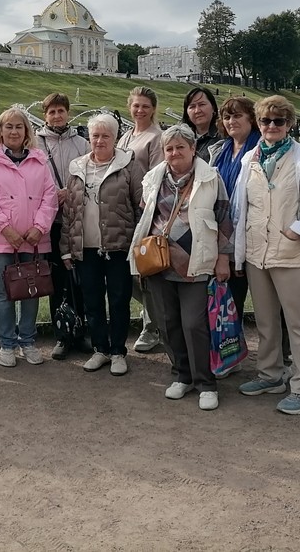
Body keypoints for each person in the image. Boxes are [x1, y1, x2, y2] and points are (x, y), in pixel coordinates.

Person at [233, 95, 300, 415]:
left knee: (299, 324)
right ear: (258, 123)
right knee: (266, 321)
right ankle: (270, 375)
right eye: (266, 120)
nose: (272, 126)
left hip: (292, 254)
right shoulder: (249, 158)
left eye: (279, 120)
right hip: (257, 253)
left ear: (290, 123)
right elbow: (240, 206)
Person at [130, 124, 233, 410]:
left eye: (180, 147)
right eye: (169, 148)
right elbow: (145, 215)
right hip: (159, 263)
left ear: (192, 149)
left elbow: (225, 219)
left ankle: (206, 383)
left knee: (194, 324)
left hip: (195, 262)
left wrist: (224, 257)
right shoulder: (153, 177)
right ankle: (182, 375)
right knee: (167, 323)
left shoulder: (211, 177)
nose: (174, 153)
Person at [61, 113, 144, 376]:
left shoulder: (129, 166)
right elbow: (69, 212)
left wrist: (139, 244)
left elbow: (141, 207)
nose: (99, 140)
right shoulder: (77, 167)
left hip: (119, 247)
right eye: (95, 135)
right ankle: (100, 349)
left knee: (119, 300)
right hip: (86, 248)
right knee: (92, 301)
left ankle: (118, 351)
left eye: (105, 135)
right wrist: (66, 248)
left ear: (115, 138)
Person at [0, 108, 59, 367]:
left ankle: (28, 340)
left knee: (32, 291)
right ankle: (7, 343)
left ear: (26, 131)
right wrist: (5, 228)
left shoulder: (39, 160)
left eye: (18, 127)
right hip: (1, 239)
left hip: (34, 239)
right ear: (0, 131)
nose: (13, 131)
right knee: (4, 293)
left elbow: (50, 197)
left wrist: (40, 227)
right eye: (8, 126)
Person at [35, 93, 90, 360]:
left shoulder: (81, 142)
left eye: (61, 111)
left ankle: (80, 331)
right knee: (56, 279)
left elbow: (90, 175)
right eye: (52, 111)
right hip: (51, 221)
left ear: (68, 113)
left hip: (77, 219)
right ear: (45, 115)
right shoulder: (36, 143)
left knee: (80, 279)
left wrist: (71, 192)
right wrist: (51, 196)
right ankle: (61, 333)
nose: (57, 116)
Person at [117, 86, 164, 353]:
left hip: (145, 211)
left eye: (145, 106)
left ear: (153, 108)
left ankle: (152, 327)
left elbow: (157, 175)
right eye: (136, 105)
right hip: (125, 210)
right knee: (129, 272)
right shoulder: (126, 136)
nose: (140, 110)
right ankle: (154, 317)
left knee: (145, 271)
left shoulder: (156, 137)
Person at [209, 96, 262, 326]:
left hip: (254, 234)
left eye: (238, 115)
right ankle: (232, 344)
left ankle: (279, 347)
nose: (231, 121)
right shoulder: (220, 150)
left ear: (252, 118)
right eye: (227, 116)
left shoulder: (262, 148)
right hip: (225, 233)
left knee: (267, 303)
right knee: (230, 300)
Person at [181, 87, 222, 162]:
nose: (197, 111)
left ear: (213, 108)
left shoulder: (223, 137)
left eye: (202, 104)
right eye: (192, 107)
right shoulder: (181, 138)